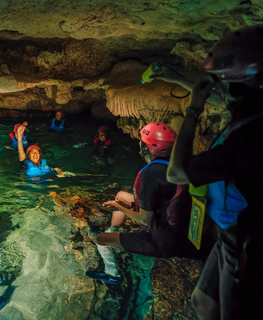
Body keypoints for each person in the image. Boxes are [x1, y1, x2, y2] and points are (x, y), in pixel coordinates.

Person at [166, 26, 263, 320]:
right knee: (203, 302)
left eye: (221, 81)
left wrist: (193, 109)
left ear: (238, 84)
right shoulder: (251, 114)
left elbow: (176, 173)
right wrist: (169, 76)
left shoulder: (251, 137)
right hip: (229, 233)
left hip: (246, 240)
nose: (218, 88)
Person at [86, 122, 194, 284]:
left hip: (162, 240)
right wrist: (125, 204)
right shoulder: (174, 165)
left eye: (143, 142)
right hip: (176, 225)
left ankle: (112, 274)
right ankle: (112, 229)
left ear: (150, 148)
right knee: (122, 195)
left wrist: (118, 206)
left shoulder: (152, 172)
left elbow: (144, 220)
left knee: (101, 239)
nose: (140, 144)